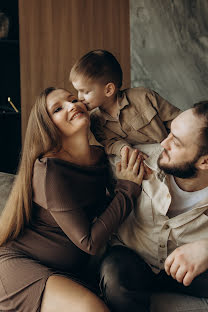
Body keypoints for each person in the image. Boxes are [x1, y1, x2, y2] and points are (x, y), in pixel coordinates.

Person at [0, 87, 145, 312]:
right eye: (58, 109)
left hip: (65, 272)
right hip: (21, 266)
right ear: (47, 127)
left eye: (74, 99)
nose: (72, 105)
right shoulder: (49, 171)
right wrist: (127, 190)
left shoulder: (99, 157)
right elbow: (89, 241)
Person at [99, 101, 208, 312]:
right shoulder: (140, 159)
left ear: (205, 162)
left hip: (186, 272)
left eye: (176, 142)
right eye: (169, 132)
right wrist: (125, 186)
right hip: (131, 259)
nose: (163, 143)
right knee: (114, 275)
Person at [69, 49, 181, 158]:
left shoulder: (144, 97)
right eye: (78, 91)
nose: (80, 97)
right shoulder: (95, 120)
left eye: (86, 92)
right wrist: (124, 149)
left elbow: (177, 120)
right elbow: (110, 144)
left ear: (108, 90)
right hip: (143, 163)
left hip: (172, 152)